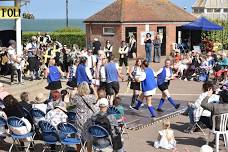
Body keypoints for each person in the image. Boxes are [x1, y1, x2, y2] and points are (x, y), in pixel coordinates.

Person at [70, 82, 98, 152]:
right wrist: (94, 88)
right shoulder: (90, 97)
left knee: (79, 136)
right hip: (87, 120)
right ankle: (89, 150)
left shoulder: (77, 97)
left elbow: (71, 100)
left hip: (79, 119)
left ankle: (78, 150)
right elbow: (96, 98)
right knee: (89, 138)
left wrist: (74, 91)